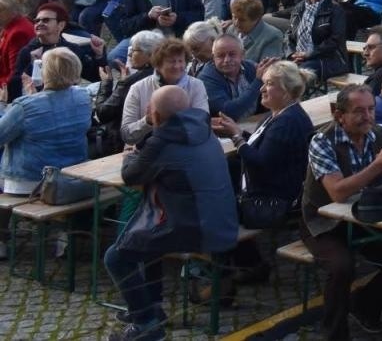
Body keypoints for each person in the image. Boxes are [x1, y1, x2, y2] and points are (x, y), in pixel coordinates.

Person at [105, 83, 238, 341]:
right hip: (222, 218)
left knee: (116, 257)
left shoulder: (162, 141)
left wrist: (129, 155)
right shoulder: (204, 129)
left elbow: (130, 176)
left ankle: (146, 324)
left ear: (154, 114)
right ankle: (149, 307)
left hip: (195, 227)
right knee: (141, 239)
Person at [300, 84, 382, 341]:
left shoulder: (380, 133)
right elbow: (337, 193)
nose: (368, 116)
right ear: (339, 115)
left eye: (371, 109)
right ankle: (334, 335)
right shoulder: (322, 141)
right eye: (359, 111)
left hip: (365, 215)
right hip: (324, 222)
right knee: (342, 267)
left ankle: (365, 306)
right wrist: (378, 166)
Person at [211, 61, 314, 281]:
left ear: (286, 91)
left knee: (216, 212)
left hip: (274, 203)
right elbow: (266, 148)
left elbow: (260, 163)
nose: (261, 89)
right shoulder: (280, 114)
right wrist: (237, 132)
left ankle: (226, 278)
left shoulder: (286, 122)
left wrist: (236, 137)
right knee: (222, 185)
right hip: (275, 191)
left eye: (269, 84)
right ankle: (250, 264)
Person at [0, 46, 90, 196]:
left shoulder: (24, 106)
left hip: (31, 182)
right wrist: (34, 98)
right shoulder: (84, 97)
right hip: (72, 176)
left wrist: (2, 104)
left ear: (44, 72)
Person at [120, 38, 208, 147]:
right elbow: (126, 134)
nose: (177, 66)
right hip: (148, 150)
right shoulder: (138, 88)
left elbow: (202, 124)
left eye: (180, 61)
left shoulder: (196, 85)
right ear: (158, 64)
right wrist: (147, 121)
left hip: (185, 147)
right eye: (171, 61)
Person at [286, 0, 349, 81]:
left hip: (329, 59)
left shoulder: (335, 9)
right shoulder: (298, 8)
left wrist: (309, 54)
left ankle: (296, 93)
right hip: (300, 56)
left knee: (296, 75)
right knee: (274, 70)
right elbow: (289, 35)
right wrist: (292, 54)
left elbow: (335, 40)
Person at [198, 30, 264, 123]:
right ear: (213, 57)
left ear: (242, 55)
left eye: (232, 54)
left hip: (252, 122)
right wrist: (258, 82)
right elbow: (228, 112)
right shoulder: (206, 78)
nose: (227, 60)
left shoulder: (251, 68)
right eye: (220, 56)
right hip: (222, 129)